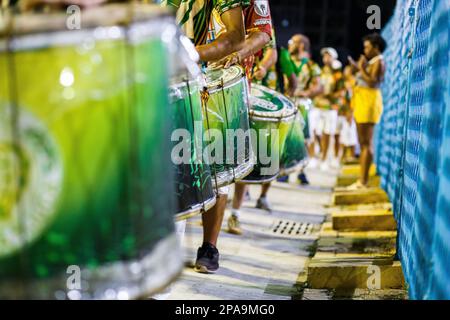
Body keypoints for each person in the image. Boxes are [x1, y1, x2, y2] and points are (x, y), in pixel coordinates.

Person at [163, 0, 247, 273]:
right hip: (139, 72)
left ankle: (205, 247)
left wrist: (191, 54)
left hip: (191, 80)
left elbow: (237, 34)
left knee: (183, 173)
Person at [213, 0, 276, 236]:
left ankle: (234, 214)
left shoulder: (257, 4)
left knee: (232, 157)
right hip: (196, 74)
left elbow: (266, 39)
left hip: (235, 84)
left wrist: (241, 55)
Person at [348, 33, 386, 189]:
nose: (365, 50)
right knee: (362, 142)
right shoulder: (372, 61)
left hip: (369, 103)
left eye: (368, 47)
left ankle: (363, 181)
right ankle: (361, 179)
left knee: (366, 143)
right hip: (362, 101)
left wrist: (361, 68)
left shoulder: (379, 61)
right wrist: (357, 68)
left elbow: (372, 83)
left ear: (376, 47)